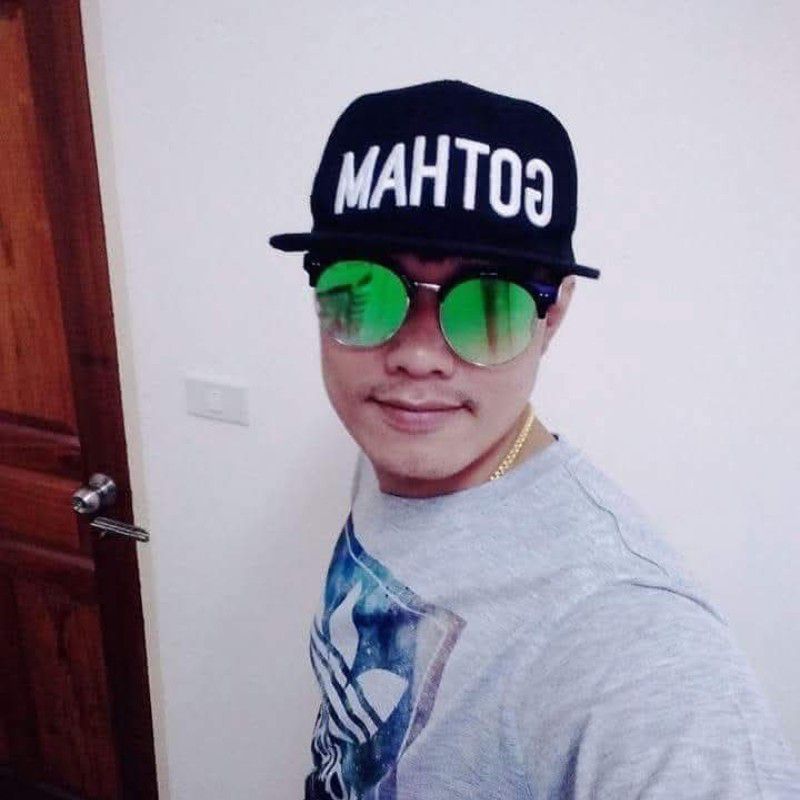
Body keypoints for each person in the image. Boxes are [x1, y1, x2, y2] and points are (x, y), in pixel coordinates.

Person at [270, 79, 800, 799]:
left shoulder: (628, 641)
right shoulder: (397, 448)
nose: (417, 357)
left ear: (553, 318)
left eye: (487, 304)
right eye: (364, 291)